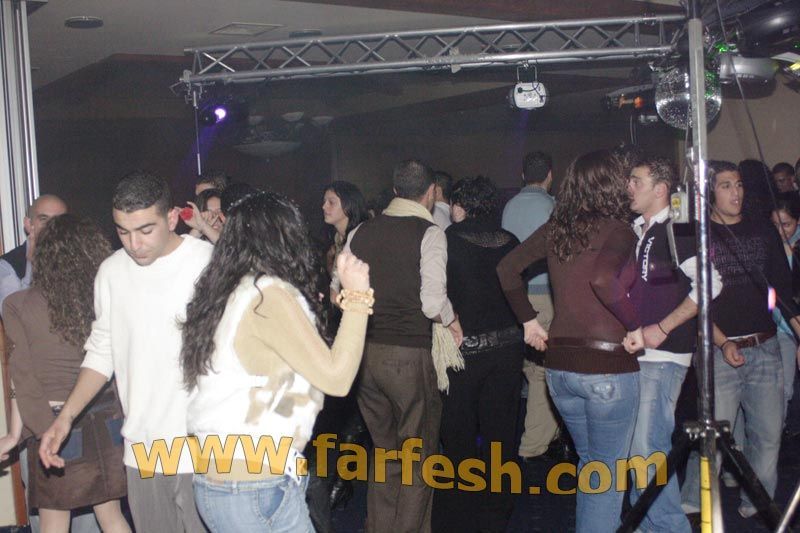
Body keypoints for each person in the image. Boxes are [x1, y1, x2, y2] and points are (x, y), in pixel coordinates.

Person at [181, 191, 372, 533]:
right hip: (251, 486)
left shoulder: (226, 291)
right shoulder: (266, 295)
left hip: (229, 480)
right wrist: (357, 296)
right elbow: (337, 378)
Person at [37, 171, 212, 532]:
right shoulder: (111, 272)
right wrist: (65, 418)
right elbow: (101, 352)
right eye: (123, 231)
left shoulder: (208, 263)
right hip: (142, 446)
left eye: (145, 230)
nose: (134, 244)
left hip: (205, 441)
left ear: (172, 218)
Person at [497, 149, 644, 533]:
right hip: (608, 367)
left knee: (592, 465)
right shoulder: (619, 230)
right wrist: (635, 325)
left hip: (560, 369)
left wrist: (529, 321)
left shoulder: (557, 228)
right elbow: (603, 280)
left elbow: (507, 267)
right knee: (607, 472)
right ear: (612, 184)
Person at [346, 159, 462, 533]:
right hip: (408, 356)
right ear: (431, 193)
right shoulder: (429, 233)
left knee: (384, 451)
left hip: (364, 354)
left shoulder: (360, 232)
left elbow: (339, 289)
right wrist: (452, 319)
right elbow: (432, 303)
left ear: (395, 191)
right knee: (418, 456)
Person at [681, 161, 800, 519]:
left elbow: (783, 291)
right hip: (718, 350)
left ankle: (757, 503)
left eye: (739, 184)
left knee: (768, 435)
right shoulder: (698, 235)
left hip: (765, 346)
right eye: (726, 186)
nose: (736, 193)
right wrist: (722, 343)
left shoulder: (762, 230)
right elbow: (693, 302)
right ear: (709, 192)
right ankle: (695, 500)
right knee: (712, 436)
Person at [0, 214, 129, 533]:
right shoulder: (102, 299)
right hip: (108, 420)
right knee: (112, 517)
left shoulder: (17, 304)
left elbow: (23, 379)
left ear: (43, 254)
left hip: (55, 423)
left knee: (54, 523)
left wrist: (19, 434)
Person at [626, 156, 722, 533]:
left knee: (647, 449)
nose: (629, 187)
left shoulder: (676, 229)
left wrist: (662, 328)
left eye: (636, 180)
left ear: (661, 189)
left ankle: (672, 528)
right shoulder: (640, 230)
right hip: (641, 354)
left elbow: (711, 284)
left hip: (664, 355)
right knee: (640, 451)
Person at [432, 176, 524, 533]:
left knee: (459, 433)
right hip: (508, 349)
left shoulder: (447, 238)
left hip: (464, 351)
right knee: (501, 432)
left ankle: (461, 511)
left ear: (458, 206)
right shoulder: (511, 241)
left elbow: (435, 292)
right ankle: (498, 511)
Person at [500, 150, 560, 461]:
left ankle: (538, 432)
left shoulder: (509, 207)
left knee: (525, 365)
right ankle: (533, 444)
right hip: (544, 294)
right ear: (550, 175)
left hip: (514, 296)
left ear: (523, 176)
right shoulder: (553, 208)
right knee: (542, 371)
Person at [0, 194, 67, 312]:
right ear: (28, 224)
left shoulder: (78, 258)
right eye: (44, 219)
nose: (52, 226)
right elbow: (16, 315)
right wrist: (32, 264)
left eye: (59, 221)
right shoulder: (8, 265)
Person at [770, 193, 800, 418]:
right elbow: (771, 293)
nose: (780, 231)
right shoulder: (770, 246)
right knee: (781, 389)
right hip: (780, 328)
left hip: (794, 323)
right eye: (775, 225)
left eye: (786, 225)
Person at [322, 181, 369, 295]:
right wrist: (329, 263)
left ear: (348, 206)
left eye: (331, 202)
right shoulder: (337, 238)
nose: (324, 207)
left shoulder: (362, 239)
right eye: (324, 202)